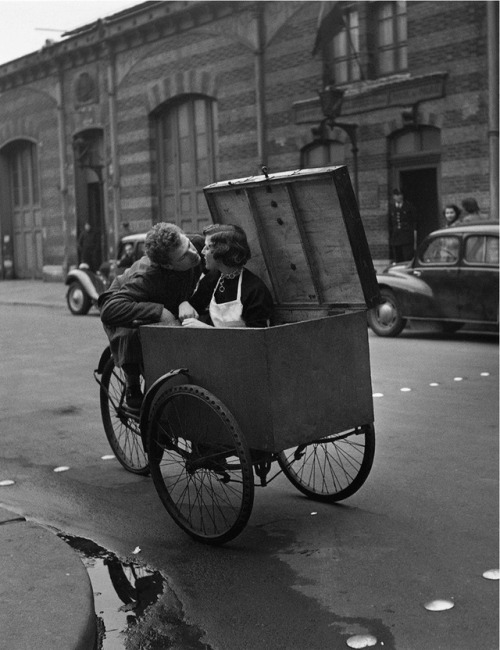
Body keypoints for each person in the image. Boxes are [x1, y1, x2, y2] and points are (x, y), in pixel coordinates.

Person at [98, 222, 202, 409]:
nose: (194, 254)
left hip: (168, 296)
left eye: (189, 245)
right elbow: (110, 310)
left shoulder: (197, 245)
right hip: (126, 297)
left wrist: (186, 301)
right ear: (167, 265)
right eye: (183, 256)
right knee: (132, 334)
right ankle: (132, 385)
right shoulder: (148, 277)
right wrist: (160, 312)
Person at [180, 224, 273, 329]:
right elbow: (195, 305)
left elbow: (260, 339)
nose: (202, 252)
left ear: (223, 252)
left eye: (207, 247)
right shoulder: (213, 278)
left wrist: (208, 330)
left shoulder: (255, 290)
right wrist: (184, 304)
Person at [388, 189, 417, 262]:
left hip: (407, 237)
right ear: (394, 197)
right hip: (396, 238)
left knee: (407, 257)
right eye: (397, 195)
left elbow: (414, 221)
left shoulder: (409, 207)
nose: (399, 197)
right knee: (398, 259)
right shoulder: (391, 208)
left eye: (400, 195)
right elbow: (390, 223)